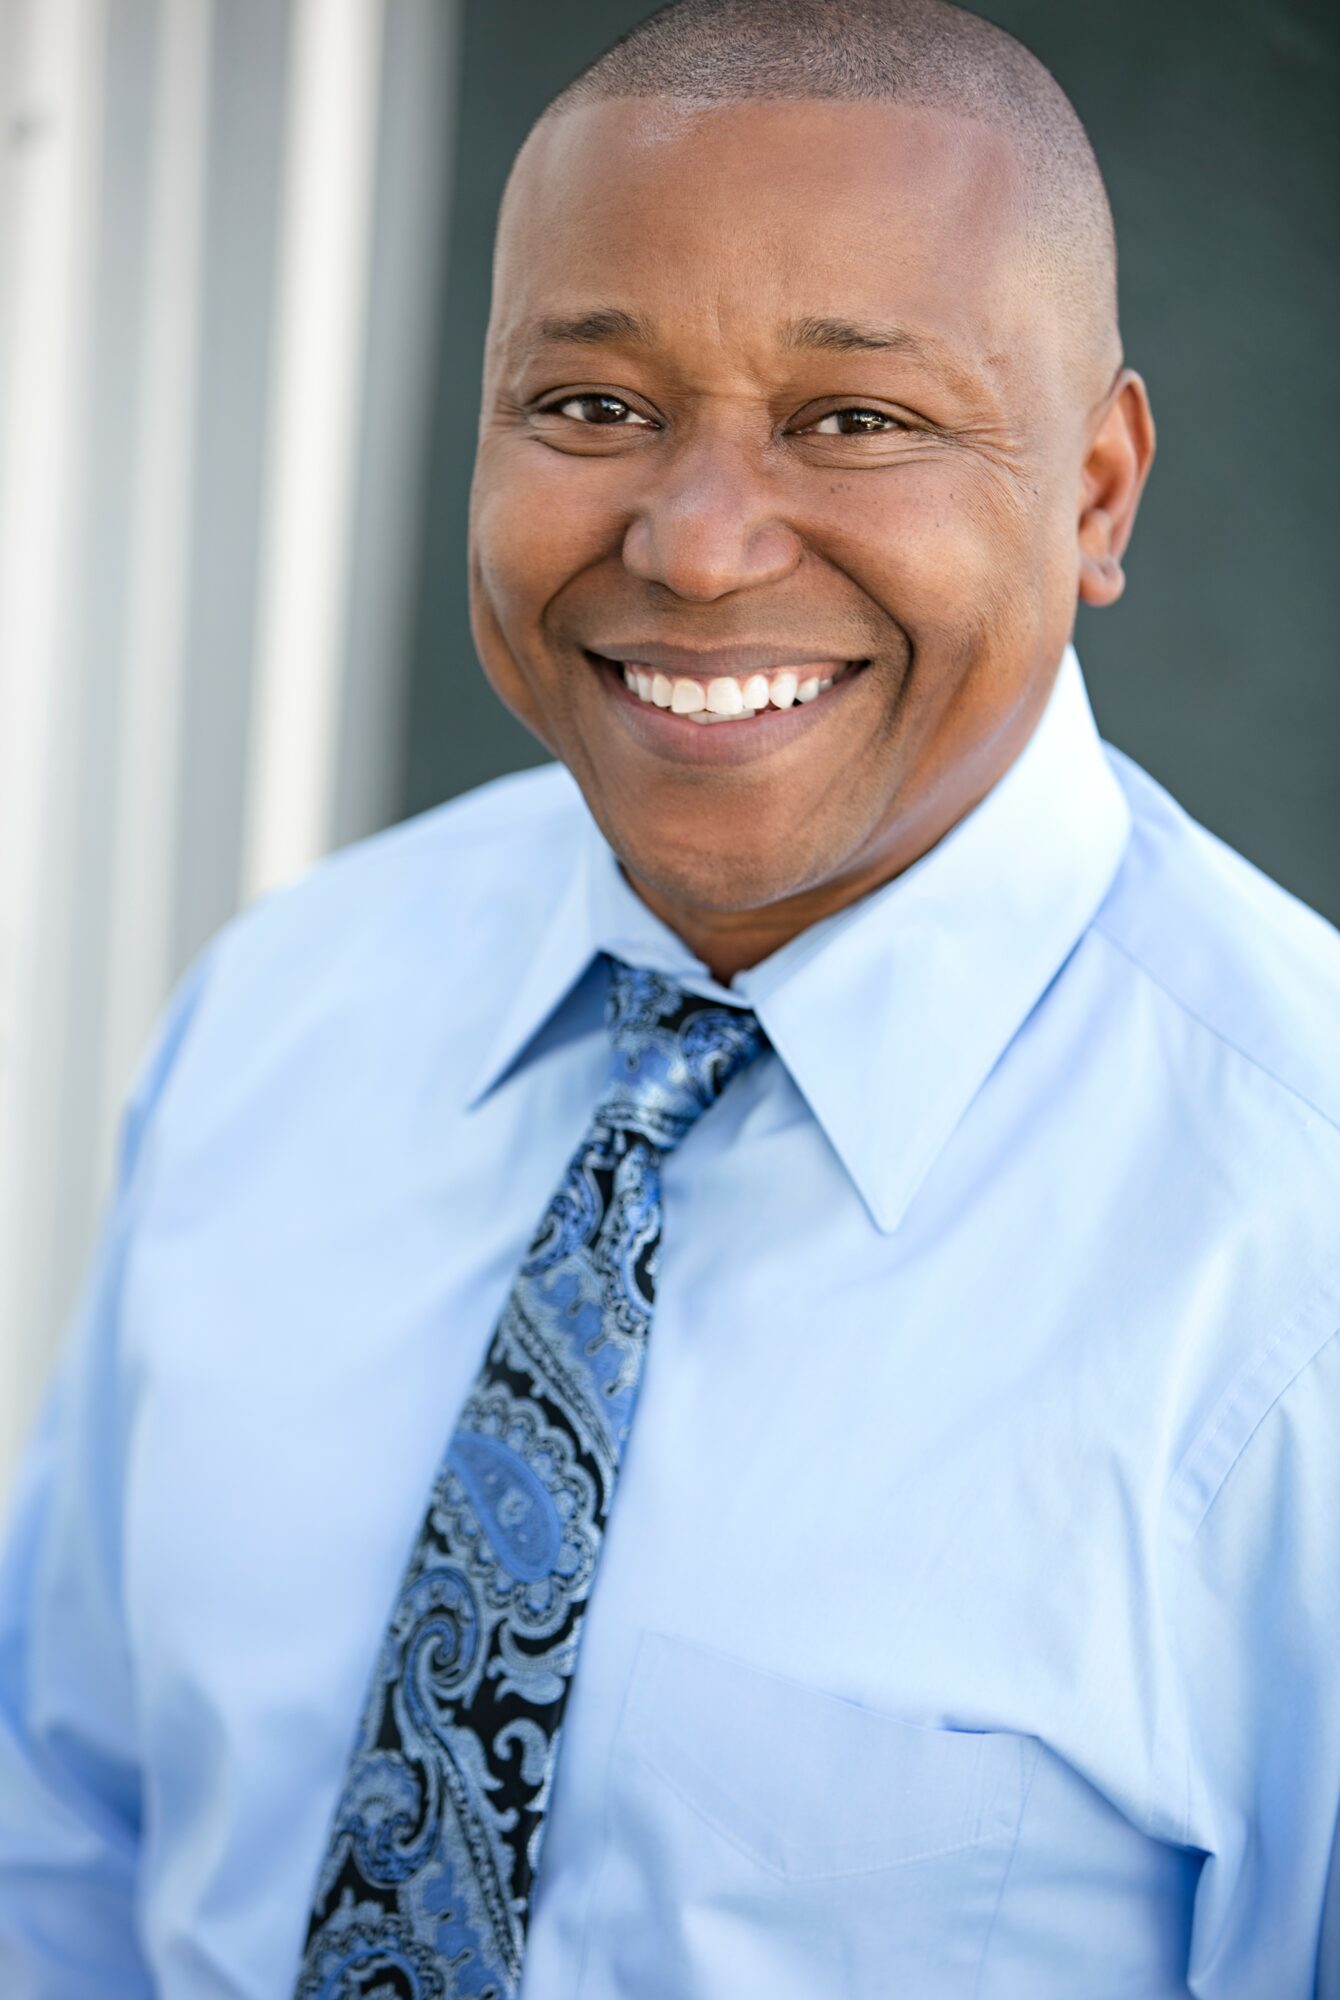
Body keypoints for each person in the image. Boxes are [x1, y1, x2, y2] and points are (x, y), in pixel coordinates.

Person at [1, 0, 1336, 1994]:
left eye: (851, 419)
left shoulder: (1296, 1232)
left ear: (1094, 491)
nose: (696, 543)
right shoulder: (286, 1009)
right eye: (593, 408)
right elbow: (68, 1826)